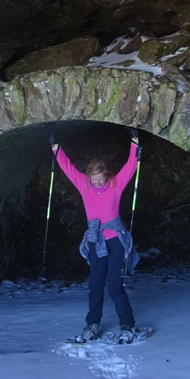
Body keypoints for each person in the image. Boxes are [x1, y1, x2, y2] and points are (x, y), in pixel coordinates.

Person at [51, 129, 140, 344]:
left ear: (107, 175)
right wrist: (55, 147)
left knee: (116, 286)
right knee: (95, 285)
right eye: (95, 179)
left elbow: (131, 165)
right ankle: (92, 324)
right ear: (89, 176)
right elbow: (67, 167)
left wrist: (135, 143)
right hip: (94, 240)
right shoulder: (83, 185)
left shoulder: (115, 184)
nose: (98, 183)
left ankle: (127, 325)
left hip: (115, 241)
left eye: (101, 179)